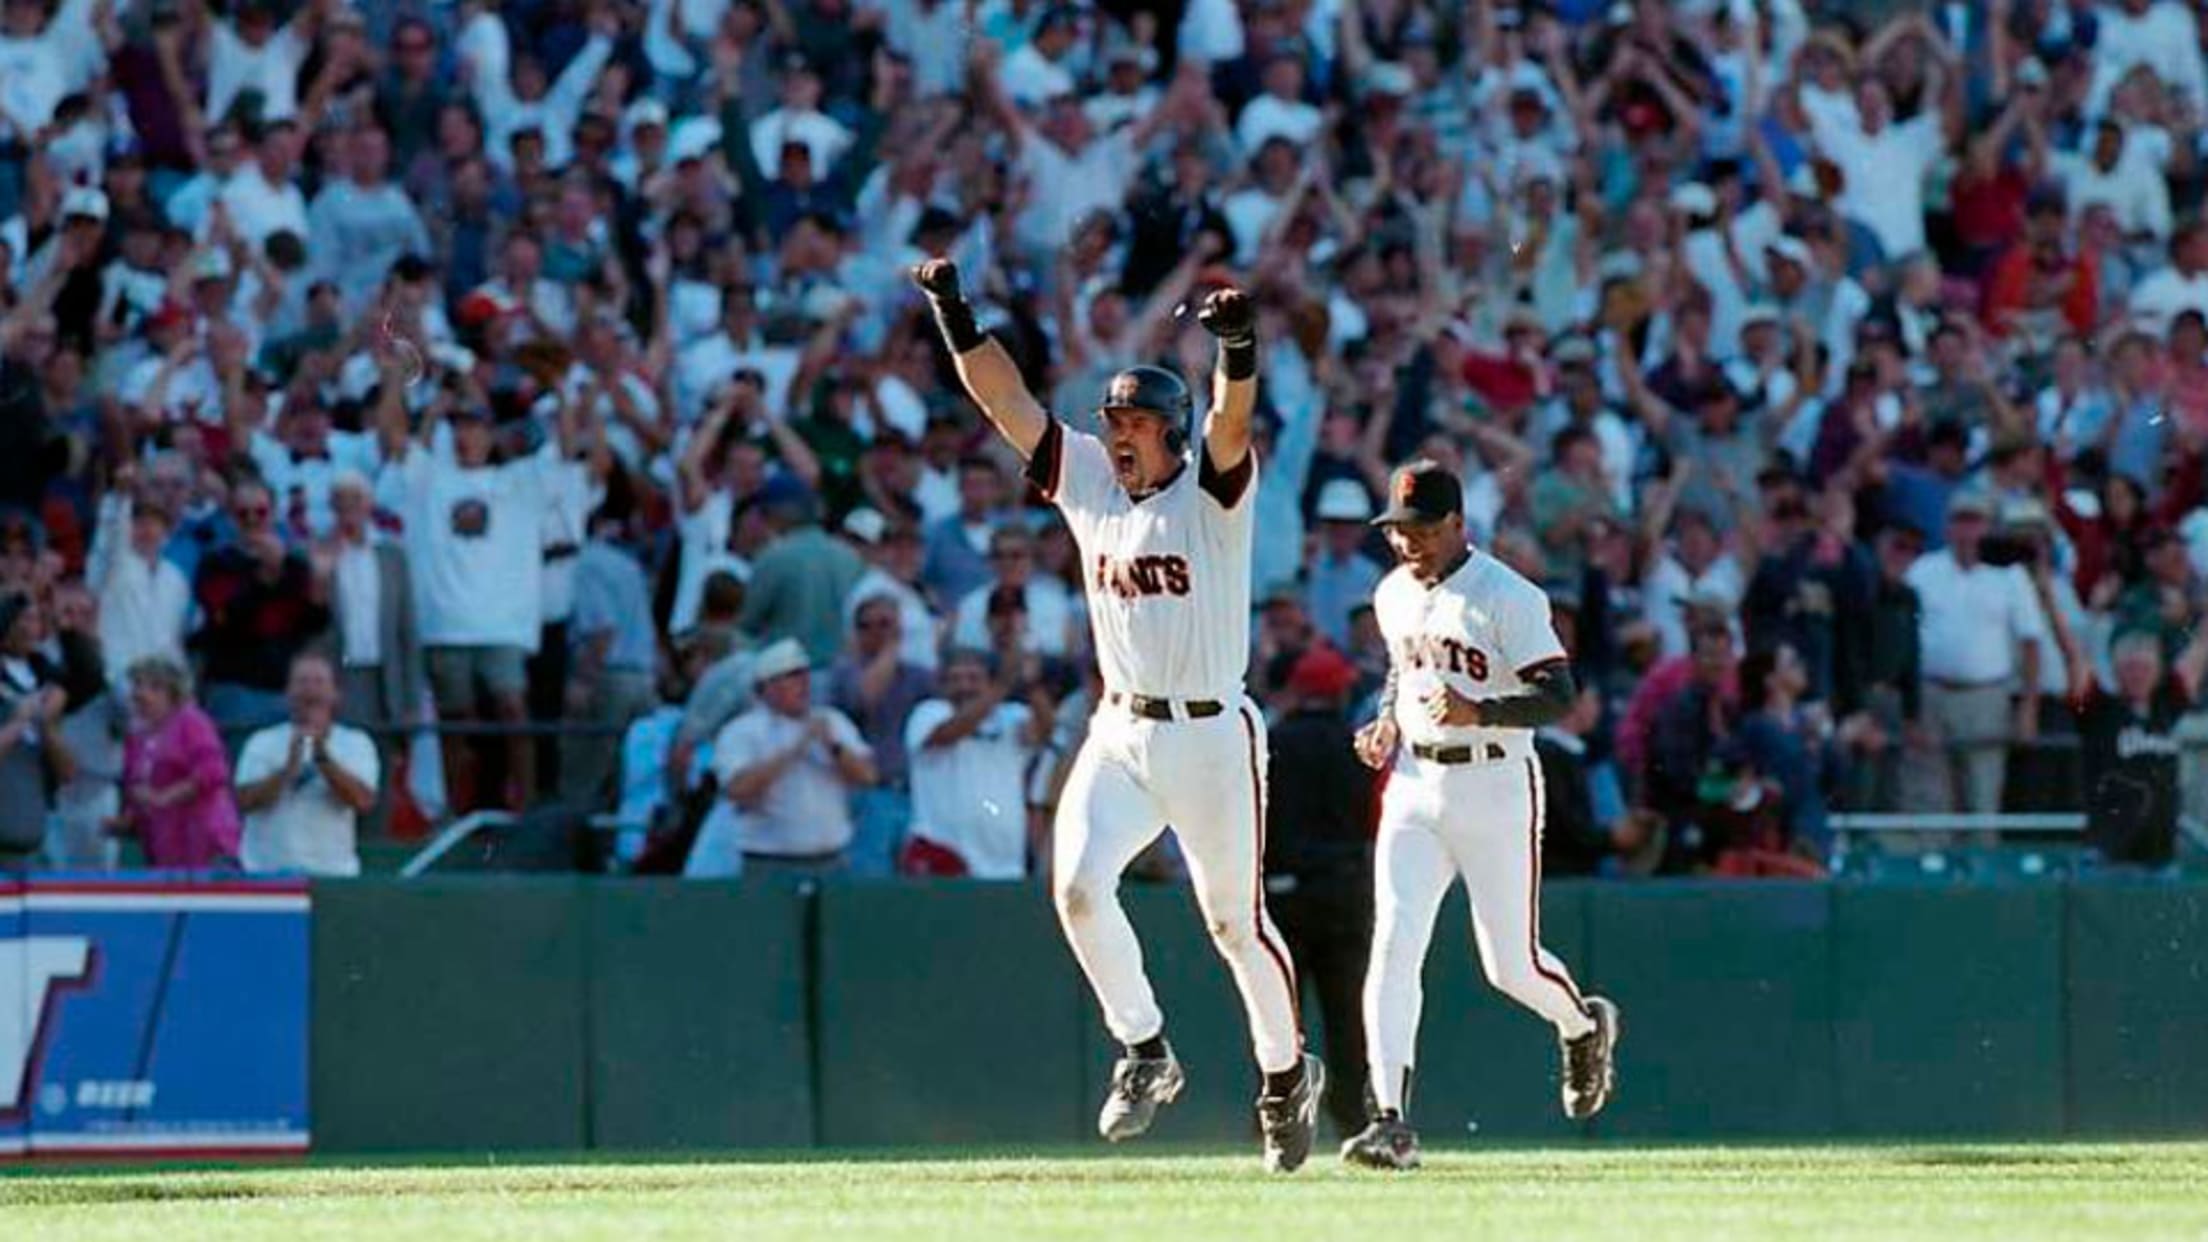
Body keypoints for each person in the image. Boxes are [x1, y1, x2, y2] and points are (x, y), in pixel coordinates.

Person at [913, 259, 1321, 1173]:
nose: (1122, 435)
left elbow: (1232, 420)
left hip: (1215, 733)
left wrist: (1239, 347)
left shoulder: (1211, 492)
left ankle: (1285, 1073)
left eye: (1137, 423)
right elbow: (1005, 401)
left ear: (1170, 431)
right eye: (1115, 422)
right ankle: (1145, 1048)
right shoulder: (1091, 480)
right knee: (1078, 890)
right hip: (1123, 730)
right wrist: (953, 311)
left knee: (1233, 922)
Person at [1342, 460, 1619, 1172]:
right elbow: (1403, 671)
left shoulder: (1509, 595)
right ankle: (1390, 1120)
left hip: (1496, 782)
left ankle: (1582, 1023)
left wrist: (1480, 710)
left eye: (1424, 529)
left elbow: (1562, 697)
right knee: (1394, 947)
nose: (1409, 543)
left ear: (1459, 524)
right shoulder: (1392, 593)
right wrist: (1385, 724)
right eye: (1399, 530)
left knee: (1510, 965)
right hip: (1413, 784)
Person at [1261, 643, 1378, 1141]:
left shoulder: (1273, 740)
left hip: (1284, 892)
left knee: (1276, 1015)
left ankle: (1274, 1114)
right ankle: (1353, 1118)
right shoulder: (1356, 744)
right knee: (1347, 1018)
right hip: (1344, 892)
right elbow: (1374, 818)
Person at [687, 638, 876, 876]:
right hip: (770, 860)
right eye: (792, 677)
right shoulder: (741, 731)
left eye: (804, 675)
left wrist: (833, 745)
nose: (804, 684)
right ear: (766, 687)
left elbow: (867, 777)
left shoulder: (832, 721)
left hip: (830, 858)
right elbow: (737, 789)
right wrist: (795, 750)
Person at [901, 647, 1053, 879]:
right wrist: (1003, 685)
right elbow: (949, 733)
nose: (964, 686)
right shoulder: (928, 713)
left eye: (973, 678)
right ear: (942, 685)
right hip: (941, 851)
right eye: (955, 679)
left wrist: (1031, 683)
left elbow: (1044, 731)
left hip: (1005, 862)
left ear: (987, 682)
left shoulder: (1011, 715)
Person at [233, 652, 379, 876]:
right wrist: (286, 771)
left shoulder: (357, 743)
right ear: (288, 692)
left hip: (333, 875)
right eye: (302, 682)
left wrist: (323, 758)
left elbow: (363, 801)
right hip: (265, 874)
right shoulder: (261, 741)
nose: (310, 690)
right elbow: (244, 801)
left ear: (335, 694)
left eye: (319, 682)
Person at [2076, 629, 2208, 870]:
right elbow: (2073, 657)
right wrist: (2049, 603)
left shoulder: (2168, 706)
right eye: (2130, 667)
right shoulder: (2100, 710)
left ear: (2158, 670)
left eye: (2145, 667)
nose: (2138, 675)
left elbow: (2200, 648)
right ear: (2116, 671)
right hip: (2109, 857)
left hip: (2161, 857)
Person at [116, 656, 240, 870]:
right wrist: (128, 817)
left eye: (154, 687)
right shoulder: (136, 737)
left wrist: (165, 797)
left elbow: (213, 772)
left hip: (204, 840)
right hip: (164, 846)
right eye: (137, 685)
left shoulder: (191, 722)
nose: (142, 694)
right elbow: (136, 788)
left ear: (172, 693)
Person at [0, 592, 75, 865]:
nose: (27, 627)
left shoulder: (48, 680)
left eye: (34, 619)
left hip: (35, 837)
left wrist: (46, 726)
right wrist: (19, 722)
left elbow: (67, 772)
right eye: (19, 619)